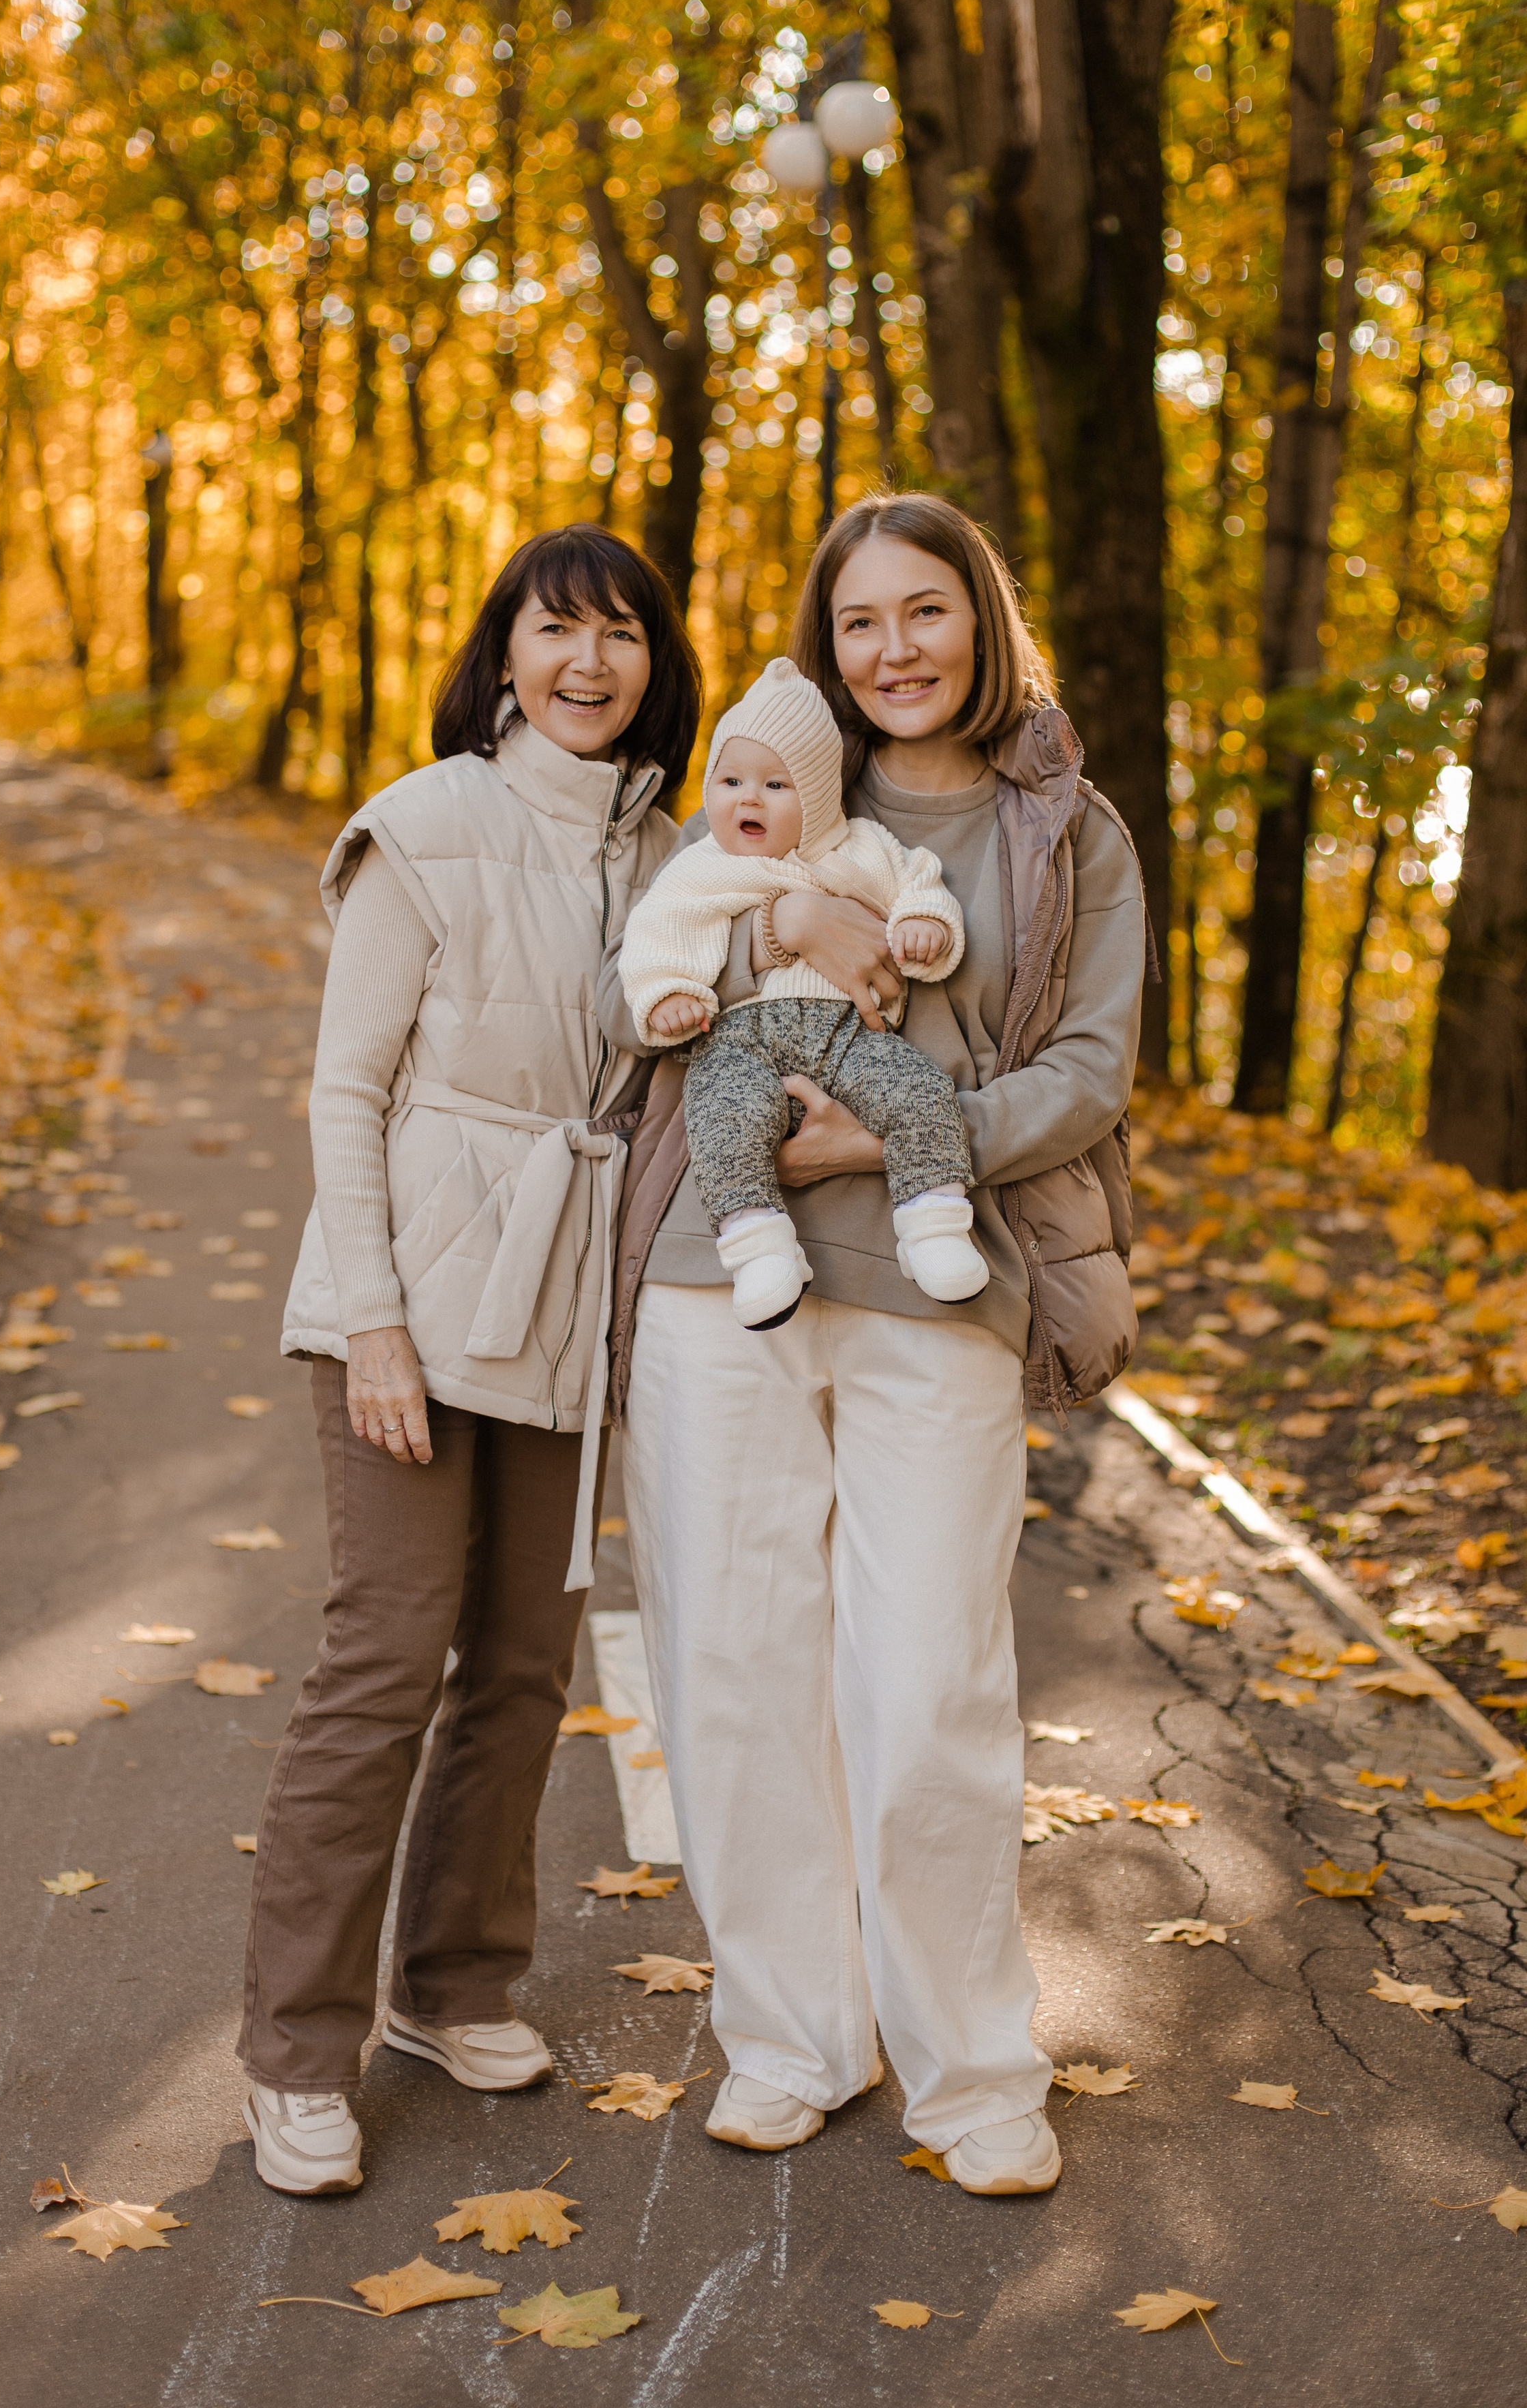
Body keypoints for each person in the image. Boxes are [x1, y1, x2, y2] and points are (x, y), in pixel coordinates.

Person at [599, 492, 1147, 2192]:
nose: (892, 649)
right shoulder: (763, 794)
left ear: (980, 622)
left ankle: (971, 2068)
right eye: (858, 623)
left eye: (925, 612)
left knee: (925, 1686)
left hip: (938, 1278)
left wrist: (900, 1133)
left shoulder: (1068, 830)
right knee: (735, 1670)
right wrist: (774, 925)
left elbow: (1088, 1065)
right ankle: (787, 2034)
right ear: (821, 647)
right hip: (720, 1268)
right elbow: (650, 950)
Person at [238, 523, 700, 2197]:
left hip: (567, 1305)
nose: (588, 663)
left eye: (621, 636)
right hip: (414, 1306)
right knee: (384, 1656)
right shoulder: (422, 823)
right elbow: (343, 1087)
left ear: (658, 662)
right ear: (500, 653)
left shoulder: (676, 857)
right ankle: (295, 2050)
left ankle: (453, 1986)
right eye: (554, 630)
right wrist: (370, 1314)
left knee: (521, 1662)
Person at [617, 655, 986, 1326]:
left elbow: (918, 881)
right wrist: (668, 992)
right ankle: (758, 1248)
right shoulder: (700, 866)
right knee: (723, 1116)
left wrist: (924, 924)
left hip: (848, 1038)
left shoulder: (861, 848)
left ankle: (933, 1224)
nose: (747, 798)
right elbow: (653, 936)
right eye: (729, 781)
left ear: (816, 796)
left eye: (775, 784)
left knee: (920, 1092)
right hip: (735, 1044)